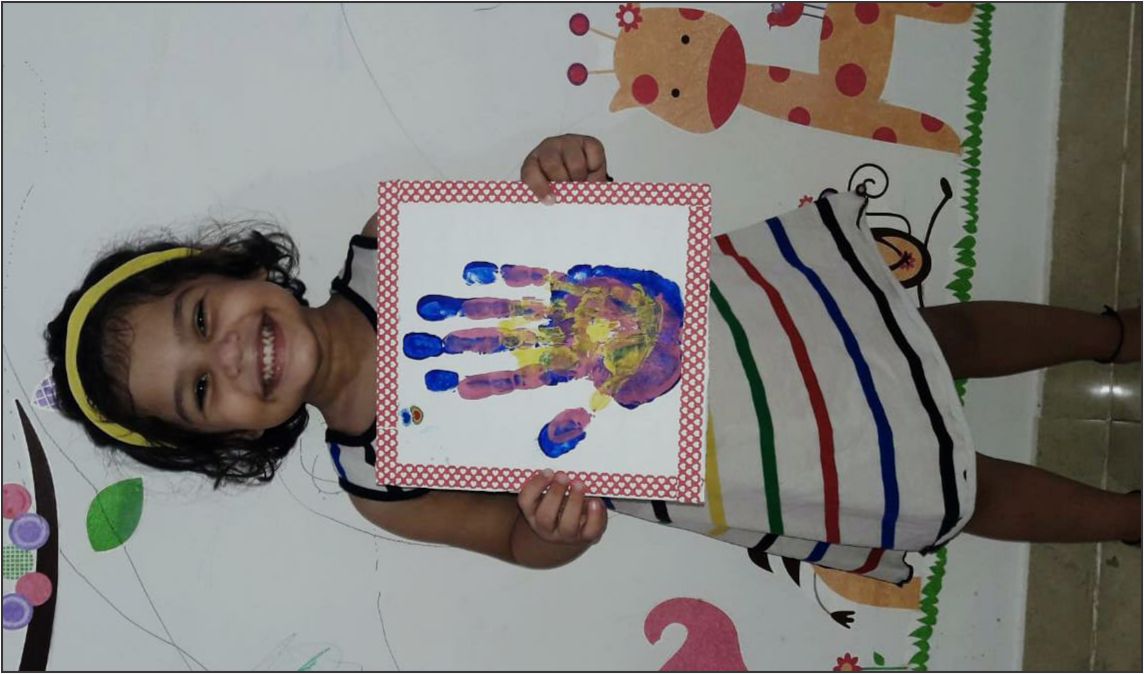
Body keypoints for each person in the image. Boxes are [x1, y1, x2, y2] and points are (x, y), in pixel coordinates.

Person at [45, 134, 1141, 584]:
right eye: (201, 389)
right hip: (734, 459)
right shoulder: (381, 481)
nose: (231, 353)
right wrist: (551, 527)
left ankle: (1117, 334)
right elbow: (520, 546)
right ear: (231, 437)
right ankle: (1127, 516)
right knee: (953, 487)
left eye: (201, 313)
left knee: (932, 334)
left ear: (236, 267)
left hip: (738, 323)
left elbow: (578, 231)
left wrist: (567, 175)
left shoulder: (397, 240)